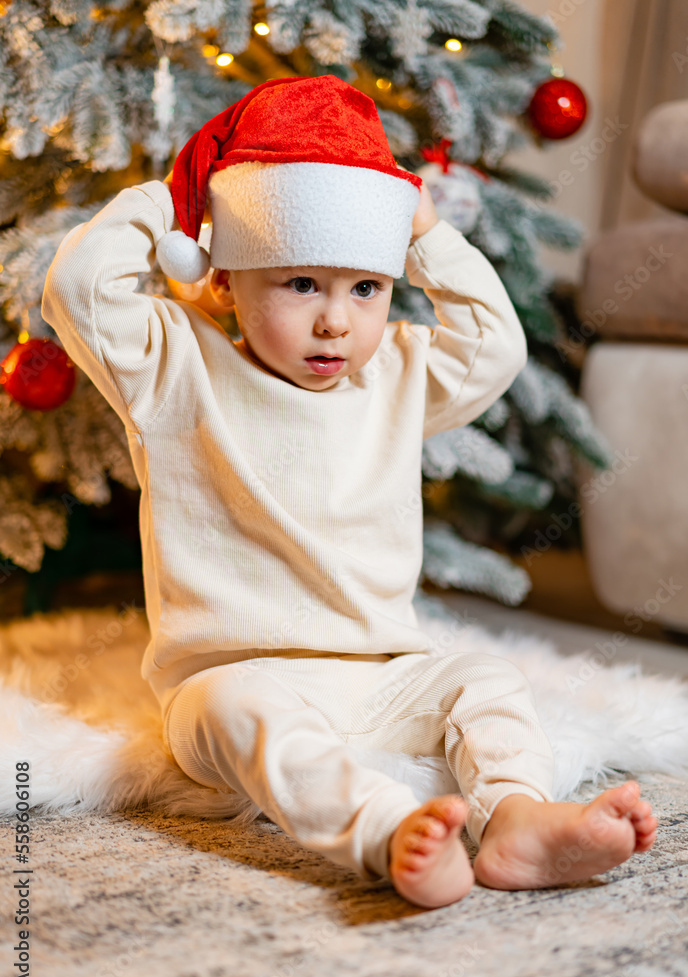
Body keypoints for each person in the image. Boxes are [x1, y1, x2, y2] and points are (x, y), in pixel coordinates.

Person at [41, 74, 657, 910]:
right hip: (237, 670)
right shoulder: (175, 367)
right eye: (302, 285)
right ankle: (384, 832)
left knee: (487, 678)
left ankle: (516, 818)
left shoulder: (398, 371)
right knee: (244, 717)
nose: (337, 321)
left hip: (383, 670)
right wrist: (174, 201)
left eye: (365, 287)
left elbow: (494, 346)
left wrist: (426, 230)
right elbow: (78, 289)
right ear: (226, 281)